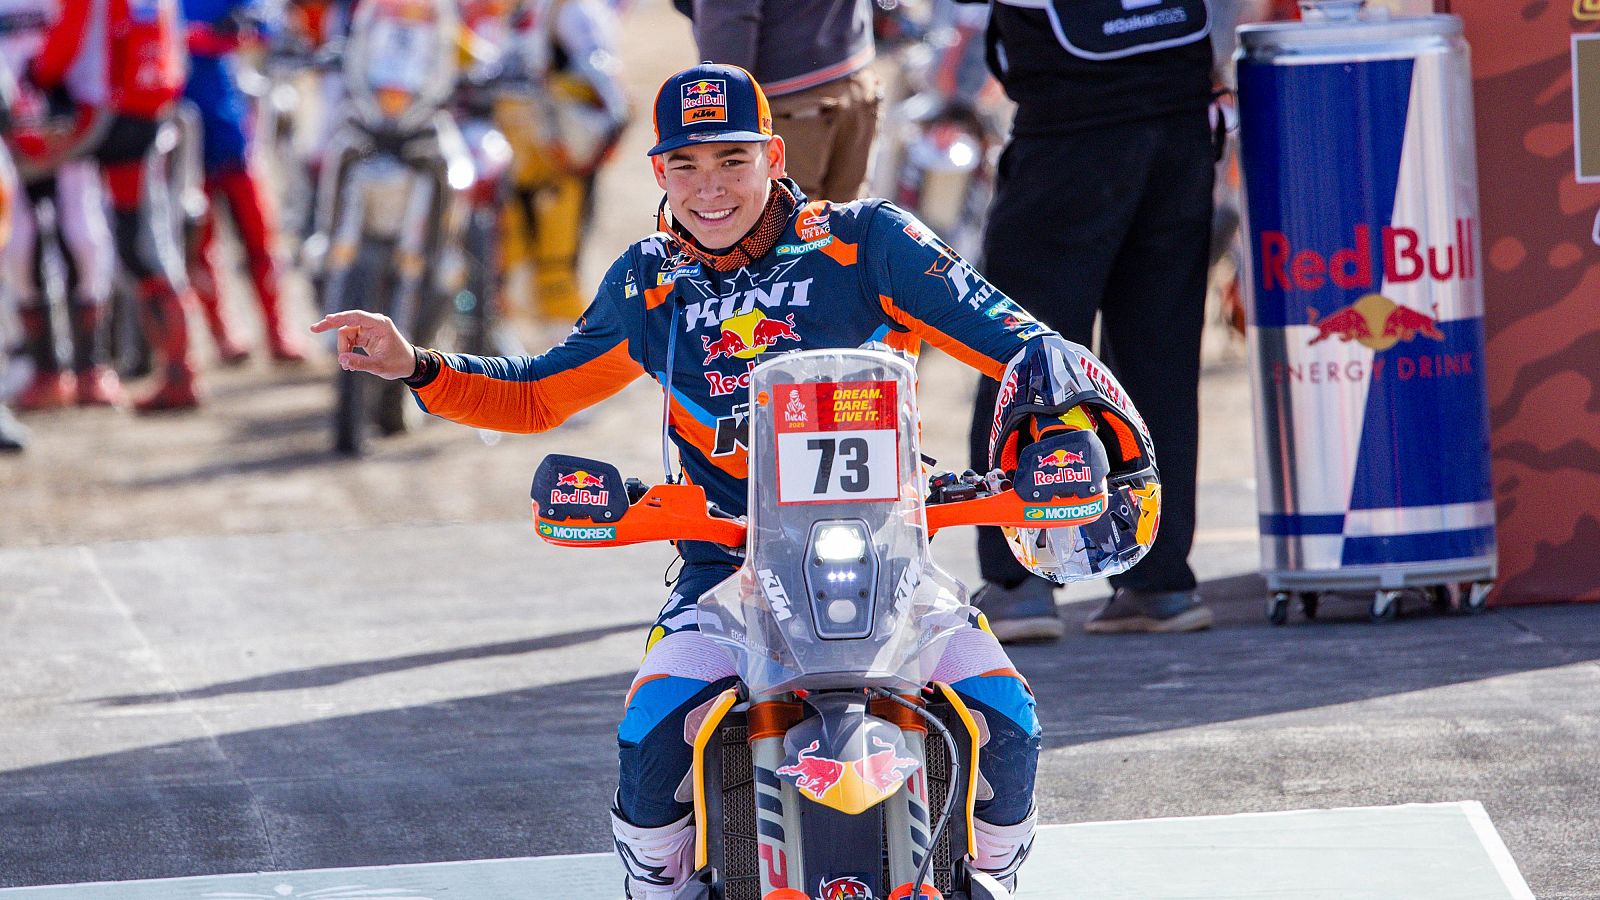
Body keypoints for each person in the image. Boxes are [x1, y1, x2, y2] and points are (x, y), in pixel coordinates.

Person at [311, 63, 1166, 898]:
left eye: (732, 159)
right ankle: (661, 884)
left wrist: (1059, 429)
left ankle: (989, 874)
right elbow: (537, 395)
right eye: (685, 164)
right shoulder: (649, 282)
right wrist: (416, 362)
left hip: (895, 562)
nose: (708, 186)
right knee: (650, 733)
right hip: (727, 575)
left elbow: (1021, 343)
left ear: (775, 158)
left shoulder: (870, 241)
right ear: (659, 173)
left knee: (1009, 722)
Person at [964, 0, 1218, 639]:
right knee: (1158, 355)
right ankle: (1159, 582)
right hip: (1180, 120)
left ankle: (1022, 582)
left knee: (1024, 356)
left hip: (1070, 133)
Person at [27, 0, 205, 411]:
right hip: (148, 113)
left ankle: (173, 373)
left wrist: (36, 75)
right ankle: (175, 370)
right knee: (140, 242)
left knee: (135, 244)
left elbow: (61, 48)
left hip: (105, 115)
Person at [0, 0, 123, 409]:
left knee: (84, 236)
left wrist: (85, 111)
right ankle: (44, 369)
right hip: (7, 133)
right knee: (16, 245)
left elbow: (94, 45)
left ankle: (93, 366)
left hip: (68, 123)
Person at [182, 0, 308, 363]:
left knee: (260, 235)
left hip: (232, 129)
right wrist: (209, 37)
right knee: (199, 242)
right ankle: (222, 335)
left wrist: (248, 24)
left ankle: (277, 331)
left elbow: (267, 22)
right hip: (186, 132)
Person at [681, 0, 879, 202]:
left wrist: (722, 124)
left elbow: (728, 20)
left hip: (791, 103)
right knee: (847, 222)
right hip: (857, 80)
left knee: (791, 224)